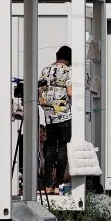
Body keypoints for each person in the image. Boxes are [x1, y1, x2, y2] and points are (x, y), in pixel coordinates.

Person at [38, 45, 73, 195]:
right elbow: (70, 92)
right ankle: (58, 185)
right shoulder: (69, 71)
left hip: (49, 116)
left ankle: (47, 186)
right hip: (64, 115)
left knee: (50, 149)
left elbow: (39, 92)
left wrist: (45, 105)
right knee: (63, 149)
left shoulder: (45, 70)